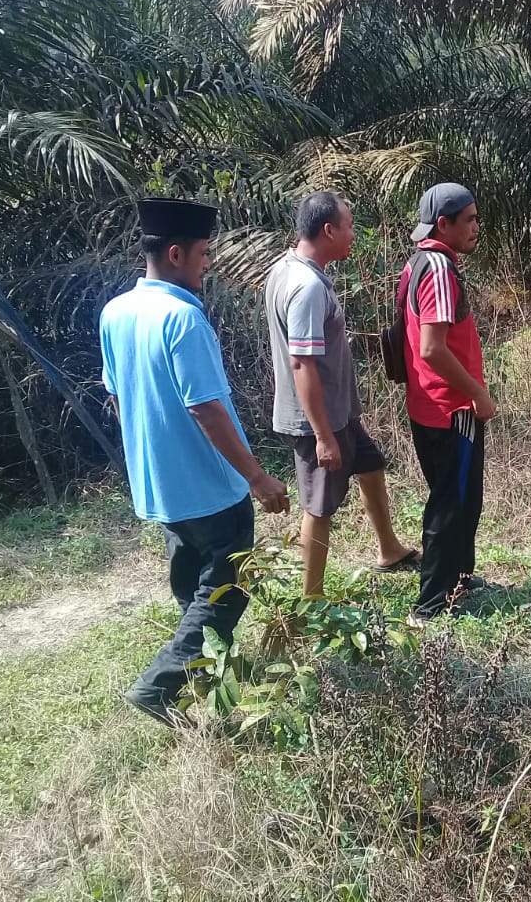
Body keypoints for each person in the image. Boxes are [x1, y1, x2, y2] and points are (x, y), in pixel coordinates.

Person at [100, 198, 290, 726]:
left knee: (192, 583)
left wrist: (149, 452)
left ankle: (196, 685)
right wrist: (256, 476)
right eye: (204, 254)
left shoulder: (116, 312)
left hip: (158, 485)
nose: (209, 264)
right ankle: (161, 687)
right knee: (226, 590)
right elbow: (204, 405)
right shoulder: (183, 318)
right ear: (177, 253)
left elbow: (117, 397)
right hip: (210, 486)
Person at [265, 191, 418, 598]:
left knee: (370, 465)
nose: (354, 233)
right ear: (328, 230)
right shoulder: (306, 287)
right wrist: (322, 436)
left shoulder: (286, 268)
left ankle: (389, 549)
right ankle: (311, 598)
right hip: (320, 419)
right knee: (319, 506)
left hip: (339, 412)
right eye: (349, 226)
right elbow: (302, 364)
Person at [398, 183, 494, 625]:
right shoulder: (437, 267)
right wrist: (477, 393)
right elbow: (432, 348)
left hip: (432, 404)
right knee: (449, 502)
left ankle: (459, 578)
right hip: (450, 408)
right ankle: (431, 605)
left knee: (462, 496)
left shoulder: (422, 260)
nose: (476, 227)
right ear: (444, 224)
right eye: (469, 219)